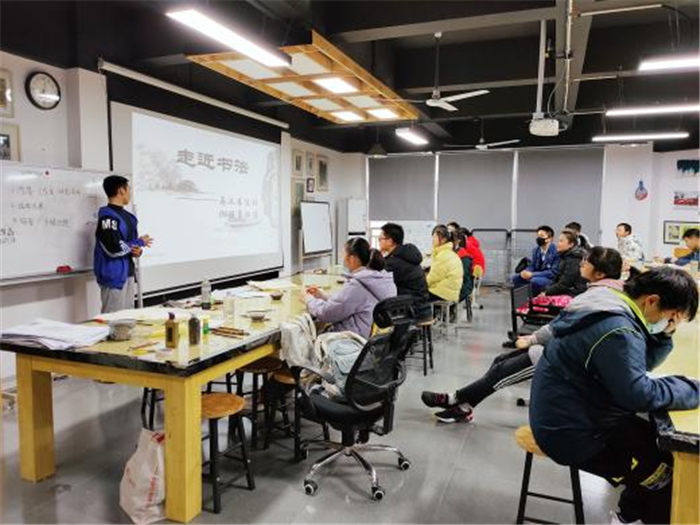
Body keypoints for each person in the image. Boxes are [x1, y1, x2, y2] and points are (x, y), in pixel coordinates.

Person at [530, 267, 699, 524]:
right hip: (572, 435)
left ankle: (627, 517)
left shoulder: (611, 303)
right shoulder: (617, 330)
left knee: (661, 450)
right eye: (672, 317)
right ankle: (632, 516)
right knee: (667, 478)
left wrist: (664, 335)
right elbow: (638, 395)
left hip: (576, 413)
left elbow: (636, 365)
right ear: (652, 300)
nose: (671, 323)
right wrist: (693, 389)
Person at [421, 246, 623, 423]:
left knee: (502, 372)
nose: (582, 263)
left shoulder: (595, 298)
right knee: (500, 361)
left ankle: (455, 399)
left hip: (566, 361)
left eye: (587, 262)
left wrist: (532, 339)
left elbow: (561, 325)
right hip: (561, 347)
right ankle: (463, 406)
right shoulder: (602, 292)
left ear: (599, 273)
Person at [305, 237, 396, 339]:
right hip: (369, 337)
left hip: (350, 340)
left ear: (352, 259)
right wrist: (323, 295)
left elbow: (326, 313)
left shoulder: (358, 285)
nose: (343, 260)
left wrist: (308, 299)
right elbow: (345, 302)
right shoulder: (379, 278)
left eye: (344, 255)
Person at [94, 175, 153, 314]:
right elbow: (113, 248)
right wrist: (139, 242)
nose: (130, 193)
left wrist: (137, 251)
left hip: (129, 274)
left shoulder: (129, 218)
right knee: (113, 319)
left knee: (128, 318)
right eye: (129, 189)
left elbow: (128, 245)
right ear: (121, 190)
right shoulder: (107, 218)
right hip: (113, 276)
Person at [379, 222, 431, 320]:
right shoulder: (406, 255)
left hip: (412, 310)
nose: (379, 242)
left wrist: (377, 258)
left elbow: (378, 282)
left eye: (380, 239)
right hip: (422, 305)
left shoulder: (394, 262)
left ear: (390, 241)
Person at [512, 225, 559, 294]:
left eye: (541, 236)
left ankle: (534, 299)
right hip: (535, 275)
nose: (538, 238)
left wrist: (532, 274)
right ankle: (522, 297)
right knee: (516, 278)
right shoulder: (536, 250)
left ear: (550, 238)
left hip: (549, 278)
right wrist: (526, 271)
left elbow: (553, 272)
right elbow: (532, 265)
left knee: (534, 281)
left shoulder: (556, 252)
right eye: (538, 236)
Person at [541, 230, 588, 297]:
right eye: (558, 241)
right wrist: (546, 290)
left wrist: (546, 292)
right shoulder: (565, 256)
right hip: (566, 291)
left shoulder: (574, 259)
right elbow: (558, 279)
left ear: (571, 244)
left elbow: (565, 285)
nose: (557, 244)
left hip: (574, 295)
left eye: (561, 241)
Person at [426, 225, 463, 303]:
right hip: (450, 292)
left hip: (443, 293)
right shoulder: (449, 253)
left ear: (443, 240)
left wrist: (419, 285)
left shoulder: (443, 255)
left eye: (435, 237)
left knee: (414, 297)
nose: (432, 240)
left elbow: (433, 278)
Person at [453, 229, 474, 303]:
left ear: (458, 241)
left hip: (463, 287)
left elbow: (462, 275)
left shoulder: (464, 257)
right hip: (457, 284)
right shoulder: (453, 252)